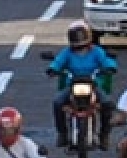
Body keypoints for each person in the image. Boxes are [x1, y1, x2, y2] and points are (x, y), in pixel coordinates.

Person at [48, 20, 117, 150]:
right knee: (57, 102)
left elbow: (106, 61)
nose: (80, 43)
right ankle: (62, 133)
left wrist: (110, 67)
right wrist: (52, 69)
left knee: (107, 104)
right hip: (72, 85)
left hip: (93, 85)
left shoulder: (97, 51)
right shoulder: (67, 52)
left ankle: (104, 135)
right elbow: (58, 61)